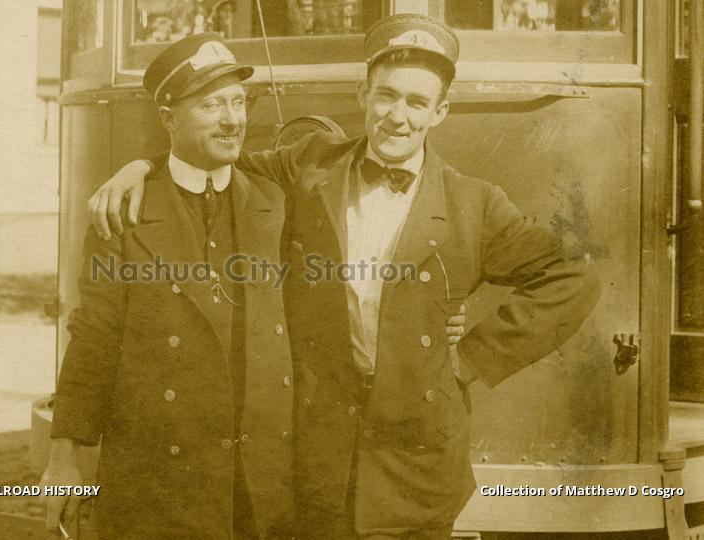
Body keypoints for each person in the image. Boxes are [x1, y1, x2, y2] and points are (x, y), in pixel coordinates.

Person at [88, 13, 602, 540]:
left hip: (416, 461)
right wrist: (141, 167)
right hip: (319, 455)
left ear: (440, 111)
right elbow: (217, 156)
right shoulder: (310, 165)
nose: (397, 117)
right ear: (363, 95)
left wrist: (472, 357)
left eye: (417, 102)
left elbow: (571, 274)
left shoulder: (474, 203)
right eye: (386, 96)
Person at [39, 32, 298, 539]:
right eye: (211, 105)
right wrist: (63, 457)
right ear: (168, 118)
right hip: (159, 486)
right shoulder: (124, 214)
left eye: (238, 102)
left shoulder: (276, 202)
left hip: (258, 488)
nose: (232, 119)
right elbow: (94, 340)